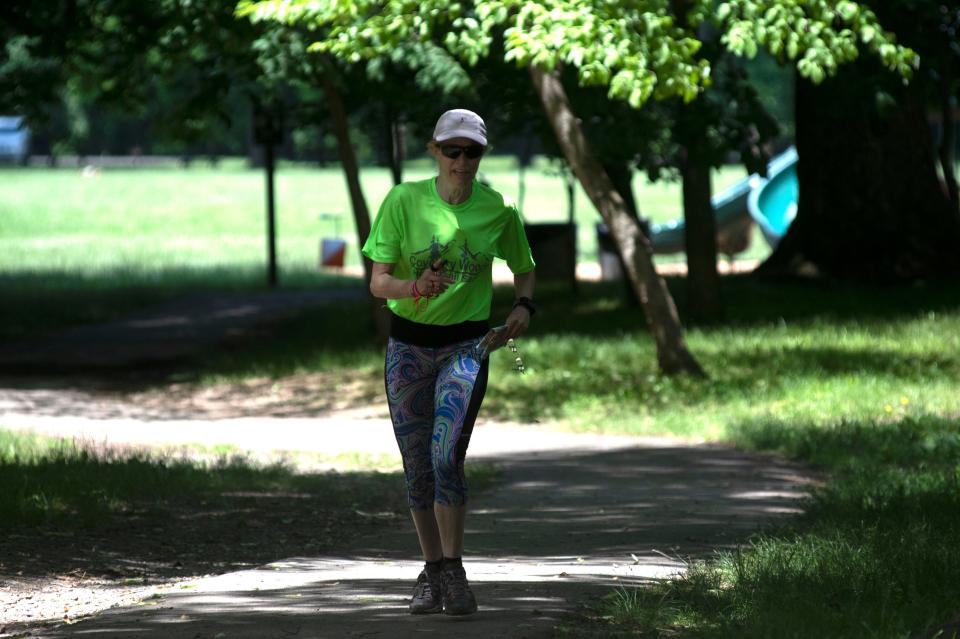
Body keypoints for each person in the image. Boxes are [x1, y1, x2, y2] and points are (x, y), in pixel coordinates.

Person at [362, 108, 537, 616]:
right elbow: (379, 283)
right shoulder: (403, 201)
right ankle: (431, 569)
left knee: (445, 456)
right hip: (408, 348)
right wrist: (415, 287)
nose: (462, 161)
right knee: (416, 465)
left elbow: (524, 270)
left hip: (468, 346)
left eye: (472, 152)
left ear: (482, 155)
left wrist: (523, 307)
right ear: (434, 151)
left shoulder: (497, 211)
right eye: (452, 150)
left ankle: (455, 570)